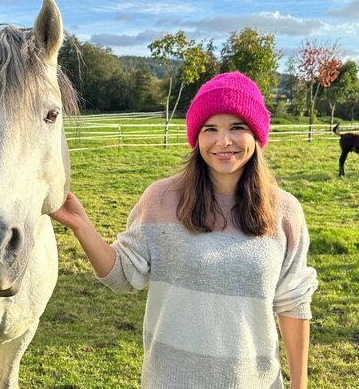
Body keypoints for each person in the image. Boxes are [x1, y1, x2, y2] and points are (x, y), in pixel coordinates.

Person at [50, 72, 318, 389]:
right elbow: (123, 275)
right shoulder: (162, 199)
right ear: (196, 137)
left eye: (237, 127)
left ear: (256, 134)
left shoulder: (285, 211)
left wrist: (300, 384)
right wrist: (82, 226)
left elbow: (293, 301)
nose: (223, 141)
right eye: (210, 129)